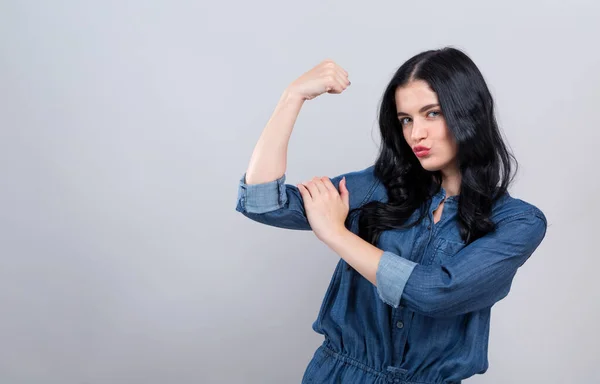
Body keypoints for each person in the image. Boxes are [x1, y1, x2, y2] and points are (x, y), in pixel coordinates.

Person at [234, 47, 547, 384]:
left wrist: (336, 234)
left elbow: (436, 293)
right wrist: (292, 97)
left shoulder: (518, 223)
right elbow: (262, 202)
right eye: (406, 120)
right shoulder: (378, 188)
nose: (416, 134)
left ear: (468, 114)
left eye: (432, 114)